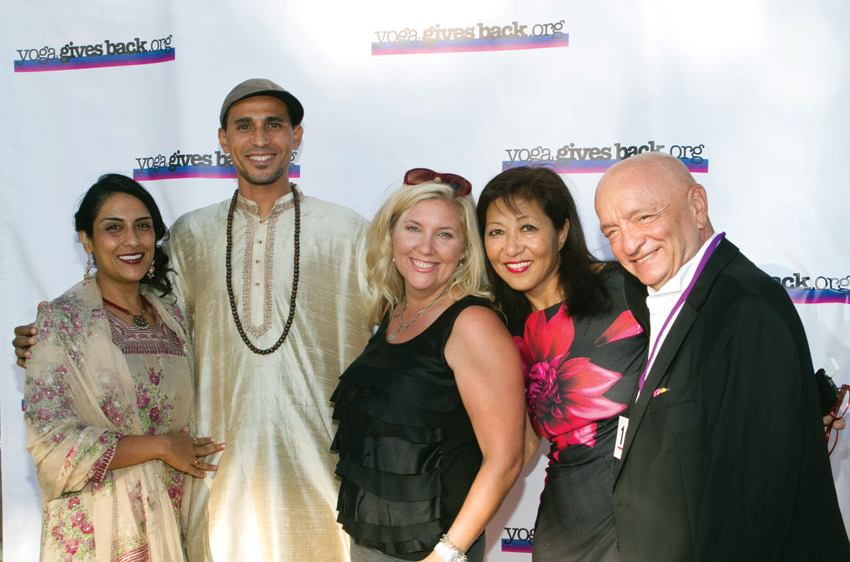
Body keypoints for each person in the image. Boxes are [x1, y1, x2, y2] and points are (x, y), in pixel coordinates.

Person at [16, 79, 371, 561]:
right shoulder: (190, 236)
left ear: (297, 136)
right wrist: (52, 335)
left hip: (322, 468)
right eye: (244, 127)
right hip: (216, 476)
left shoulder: (350, 231)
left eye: (274, 125)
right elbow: (145, 319)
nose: (260, 139)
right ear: (224, 141)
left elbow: (405, 321)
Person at [594, 152, 850, 561]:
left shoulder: (744, 307)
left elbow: (751, 505)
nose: (627, 243)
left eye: (643, 217)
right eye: (611, 230)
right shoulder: (663, 294)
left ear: (697, 206)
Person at [23, 174, 221, 562]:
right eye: (113, 228)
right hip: (98, 527)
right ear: (86, 240)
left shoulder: (173, 317)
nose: (131, 240)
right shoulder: (63, 323)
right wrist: (160, 446)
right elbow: (50, 442)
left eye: (142, 227)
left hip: (173, 514)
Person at [331, 172, 526, 562]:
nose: (426, 246)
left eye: (445, 234)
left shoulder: (473, 324)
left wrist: (447, 554)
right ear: (391, 237)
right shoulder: (394, 312)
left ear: (465, 250)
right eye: (413, 228)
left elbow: (505, 460)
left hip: (431, 550)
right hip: (371, 543)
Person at [477, 166, 647, 562]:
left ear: (563, 232)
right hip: (568, 526)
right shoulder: (500, 331)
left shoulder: (626, 289)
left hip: (649, 510)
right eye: (496, 232)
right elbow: (516, 445)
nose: (512, 248)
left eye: (528, 229)